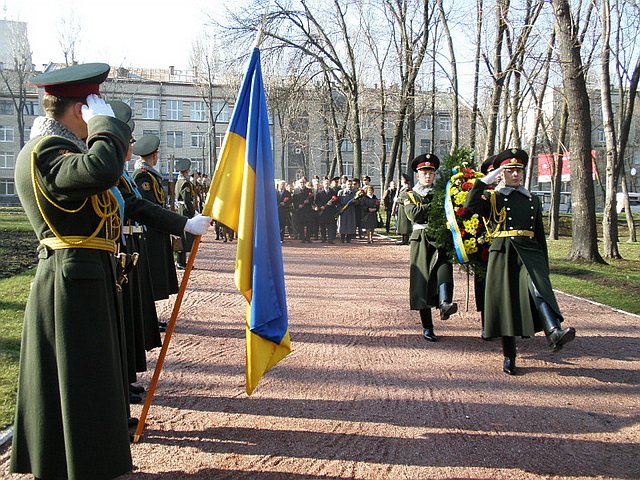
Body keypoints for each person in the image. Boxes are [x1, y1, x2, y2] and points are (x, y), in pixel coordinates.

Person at [10, 62, 134, 479]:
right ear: (81, 109)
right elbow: (102, 169)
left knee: (89, 378)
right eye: (93, 109)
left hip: (81, 274)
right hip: (69, 278)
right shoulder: (47, 150)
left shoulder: (58, 149)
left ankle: (89, 460)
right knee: (80, 379)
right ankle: (78, 465)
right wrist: (105, 124)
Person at [465, 148, 576, 375]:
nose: (515, 174)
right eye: (509, 170)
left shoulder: (532, 199)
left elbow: (538, 235)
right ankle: (509, 356)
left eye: (518, 170)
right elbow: (470, 205)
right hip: (504, 253)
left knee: (538, 289)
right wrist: (485, 181)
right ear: (502, 173)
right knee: (508, 305)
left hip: (529, 252)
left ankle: (554, 331)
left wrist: (543, 264)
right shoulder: (493, 197)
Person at [400, 153, 458, 342]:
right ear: (417, 174)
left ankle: (444, 304)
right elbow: (414, 214)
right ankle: (427, 327)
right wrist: (435, 205)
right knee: (422, 283)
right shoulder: (409, 194)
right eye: (424, 172)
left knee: (444, 270)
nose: (427, 176)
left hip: (440, 237)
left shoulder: (442, 193)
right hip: (421, 240)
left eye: (431, 173)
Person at [132, 135, 179, 300]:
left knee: (158, 275)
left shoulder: (150, 175)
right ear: (153, 155)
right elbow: (148, 205)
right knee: (152, 276)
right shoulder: (142, 176)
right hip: (150, 233)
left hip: (157, 230)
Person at [174, 158, 196, 269]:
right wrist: (193, 212)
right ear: (186, 171)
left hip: (180, 210)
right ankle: (181, 261)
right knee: (185, 237)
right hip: (185, 211)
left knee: (181, 235)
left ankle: (180, 260)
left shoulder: (178, 182)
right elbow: (187, 200)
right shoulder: (185, 183)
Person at [314, 177, 339, 243]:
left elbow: (336, 201)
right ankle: (323, 238)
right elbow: (316, 201)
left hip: (330, 211)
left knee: (331, 226)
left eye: (327, 183)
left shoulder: (333, 192)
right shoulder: (319, 193)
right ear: (323, 184)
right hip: (322, 211)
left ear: (329, 184)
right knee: (322, 226)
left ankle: (330, 239)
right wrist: (320, 206)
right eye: (325, 183)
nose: (326, 185)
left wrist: (332, 203)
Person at [394, 173, 412, 245]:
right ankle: (404, 239)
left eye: (402, 179)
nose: (401, 180)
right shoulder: (403, 188)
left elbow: (405, 199)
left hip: (405, 208)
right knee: (402, 223)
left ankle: (405, 240)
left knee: (405, 224)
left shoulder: (406, 189)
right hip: (401, 208)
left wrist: (397, 200)